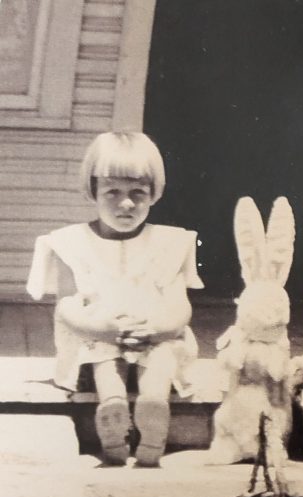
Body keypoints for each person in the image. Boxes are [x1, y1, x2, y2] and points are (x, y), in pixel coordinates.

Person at [26, 131, 204, 467]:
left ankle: (154, 410)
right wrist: (101, 328)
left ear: (154, 194)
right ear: (93, 191)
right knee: (102, 354)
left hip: (155, 335)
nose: (126, 203)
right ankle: (113, 412)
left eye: (138, 193)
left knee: (166, 352)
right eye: (113, 192)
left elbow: (180, 306)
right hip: (98, 336)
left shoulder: (170, 242)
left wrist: (159, 329)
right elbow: (66, 306)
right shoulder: (70, 243)